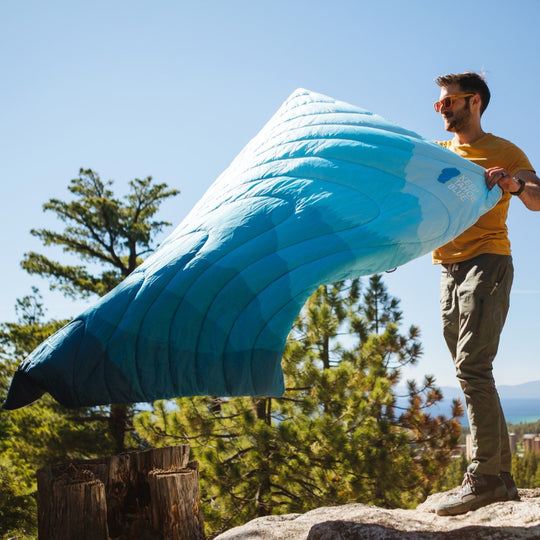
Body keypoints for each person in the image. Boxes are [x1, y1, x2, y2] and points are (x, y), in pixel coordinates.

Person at [431, 72, 540, 516]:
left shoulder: (504, 151)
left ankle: (486, 478)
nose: (442, 110)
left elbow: (536, 197)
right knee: (470, 370)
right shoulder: (437, 154)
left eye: (448, 103)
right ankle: (501, 477)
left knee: (472, 363)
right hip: (446, 268)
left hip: (488, 260)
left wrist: (513, 184)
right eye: (439, 105)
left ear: (474, 102)